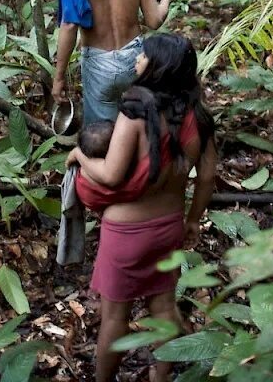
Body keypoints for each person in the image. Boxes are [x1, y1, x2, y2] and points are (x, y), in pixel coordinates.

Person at [67, 33, 218, 382]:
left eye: (143, 55)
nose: (136, 59)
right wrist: (194, 220)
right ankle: (160, 377)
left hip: (126, 232)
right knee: (163, 307)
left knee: (115, 317)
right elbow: (208, 176)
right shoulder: (198, 114)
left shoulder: (135, 110)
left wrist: (77, 157)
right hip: (169, 227)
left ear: (158, 66)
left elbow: (109, 174)